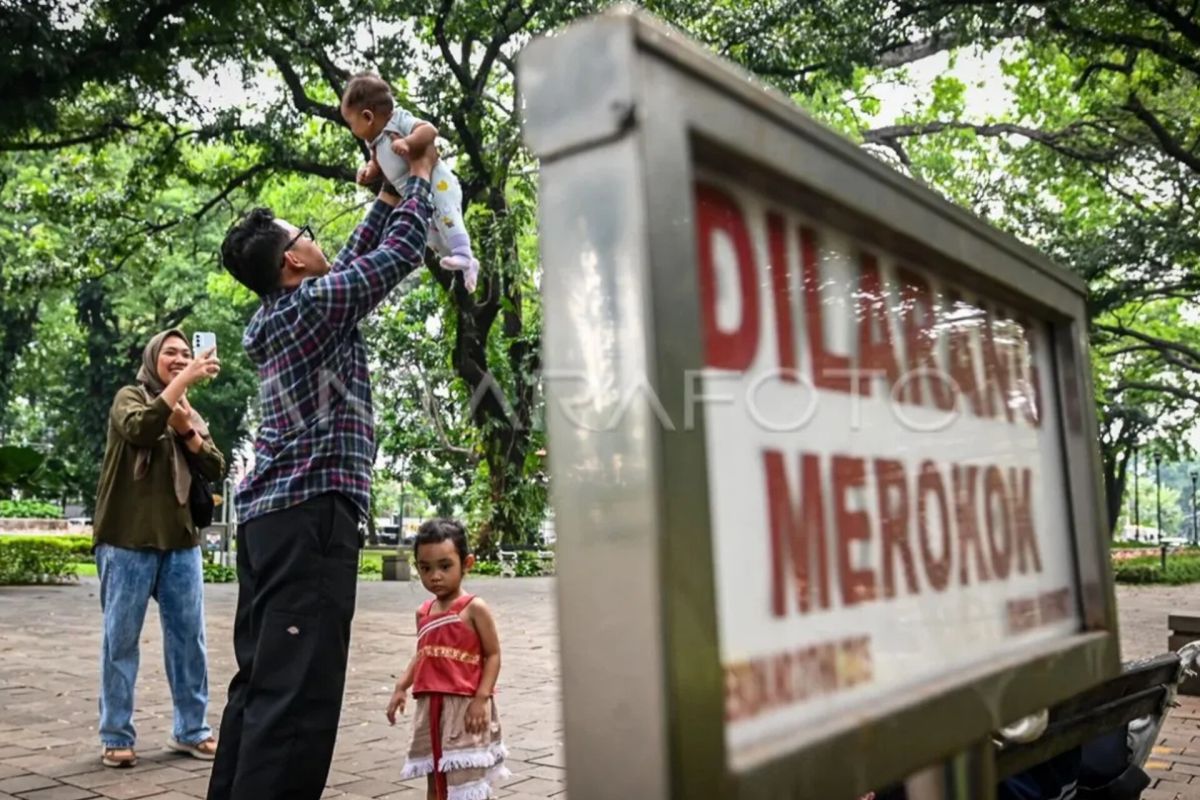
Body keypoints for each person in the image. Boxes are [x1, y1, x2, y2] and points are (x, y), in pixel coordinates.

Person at [206, 138, 438, 800]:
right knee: (298, 695)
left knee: (261, 684)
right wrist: (420, 180)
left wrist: (387, 193)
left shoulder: (286, 314)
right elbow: (393, 258)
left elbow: (353, 264)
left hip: (270, 522)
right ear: (291, 260)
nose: (315, 239)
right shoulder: (311, 308)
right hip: (310, 516)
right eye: (305, 234)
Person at [92, 328, 224, 768]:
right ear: (153, 358)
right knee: (120, 641)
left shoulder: (187, 410)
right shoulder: (129, 398)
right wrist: (182, 384)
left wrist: (187, 432)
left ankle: (191, 730)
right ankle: (116, 734)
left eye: (186, 353)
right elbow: (141, 429)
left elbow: (215, 466)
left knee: (189, 642)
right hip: (126, 540)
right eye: (171, 353)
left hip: (181, 543)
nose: (181, 358)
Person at [387, 519, 507, 800]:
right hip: (431, 707)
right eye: (426, 568)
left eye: (445, 566)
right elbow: (423, 654)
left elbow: (493, 655)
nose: (435, 576)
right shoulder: (424, 612)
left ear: (467, 563)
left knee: (467, 777)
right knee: (436, 773)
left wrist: (481, 699)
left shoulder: (474, 609)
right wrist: (401, 687)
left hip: (465, 707)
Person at [340, 72, 480, 292]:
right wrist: (369, 172)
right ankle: (467, 264)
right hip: (416, 196)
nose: (351, 129)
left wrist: (409, 142)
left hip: (437, 182)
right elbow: (377, 164)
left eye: (351, 123)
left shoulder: (398, 121)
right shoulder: (374, 143)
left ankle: (463, 253)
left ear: (368, 117)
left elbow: (429, 130)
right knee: (432, 236)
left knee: (446, 214)